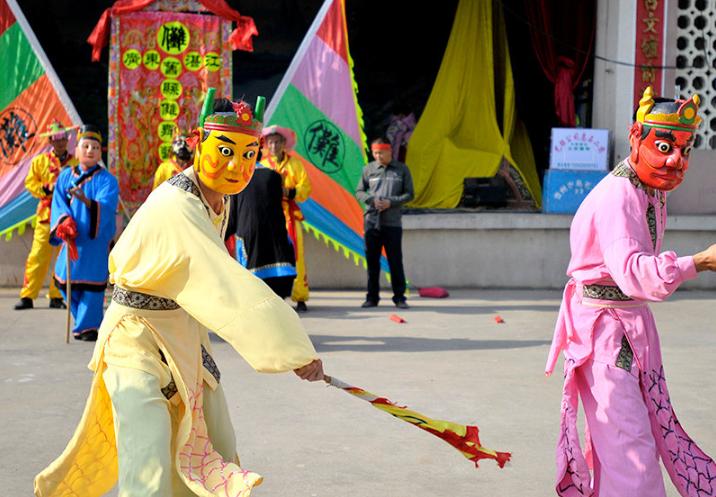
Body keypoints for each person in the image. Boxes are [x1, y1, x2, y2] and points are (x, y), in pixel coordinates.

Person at [34, 94, 325, 497]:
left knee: (217, 440)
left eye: (248, 154)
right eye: (225, 151)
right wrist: (292, 348)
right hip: (135, 334)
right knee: (148, 447)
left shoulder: (220, 198)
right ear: (198, 145)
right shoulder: (177, 200)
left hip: (183, 332)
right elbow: (223, 280)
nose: (236, 165)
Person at [545, 87, 716, 497]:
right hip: (606, 332)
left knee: (621, 445)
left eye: (686, 149)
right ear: (636, 137)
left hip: (628, 327)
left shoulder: (649, 188)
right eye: (664, 146)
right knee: (632, 450)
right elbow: (634, 275)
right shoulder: (619, 196)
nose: (676, 160)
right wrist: (701, 261)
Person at [49, 125, 118, 342]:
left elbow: (106, 208)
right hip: (72, 240)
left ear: (101, 152)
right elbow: (58, 203)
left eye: (95, 147)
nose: (90, 150)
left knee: (92, 285)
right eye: (85, 146)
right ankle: (82, 321)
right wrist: (64, 221)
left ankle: (88, 327)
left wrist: (85, 201)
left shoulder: (108, 180)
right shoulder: (64, 177)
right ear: (77, 150)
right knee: (64, 280)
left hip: (94, 241)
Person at [14, 120, 78, 311]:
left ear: (67, 139)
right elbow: (30, 183)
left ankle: (56, 296)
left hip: (67, 217)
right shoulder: (40, 161)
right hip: (46, 216)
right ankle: (27, 296)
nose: (59, 142)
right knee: (38, 255)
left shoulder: (75, 162)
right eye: (55, 138)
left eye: (62, 138)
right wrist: (45, 188)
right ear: (50, 140)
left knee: (63, 257)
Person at [356, 136, 414, 309]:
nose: (378, 156)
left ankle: (399, 297)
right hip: (372, 221)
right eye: (375, 153)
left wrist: (391, 202)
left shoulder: (402, 170)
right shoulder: (368, 170)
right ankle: (372, 297)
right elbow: (359, 191)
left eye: (381, 153)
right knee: (372, 262)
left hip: (392, 222)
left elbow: (410, 194)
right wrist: (372, 200)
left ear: (390, 151)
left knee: (395, 260)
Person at [260, 125, 312, 312]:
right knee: (271, 255)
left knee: (297, 255)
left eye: (277, 142)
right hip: (269, 217)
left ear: (283, 144)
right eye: (270, 142)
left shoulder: (295, 164)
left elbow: (305, 188)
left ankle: (299, 296)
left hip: (290, 216)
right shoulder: (263, 165)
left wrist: (287, 191)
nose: (274, 146)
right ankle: (273, 296)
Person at [228, 161, 297, 299]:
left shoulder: (237, 179)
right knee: (277, 298)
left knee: (255, 296)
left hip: (250, 241)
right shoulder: (274, 176)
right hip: (277, 245)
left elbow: (232, 218)